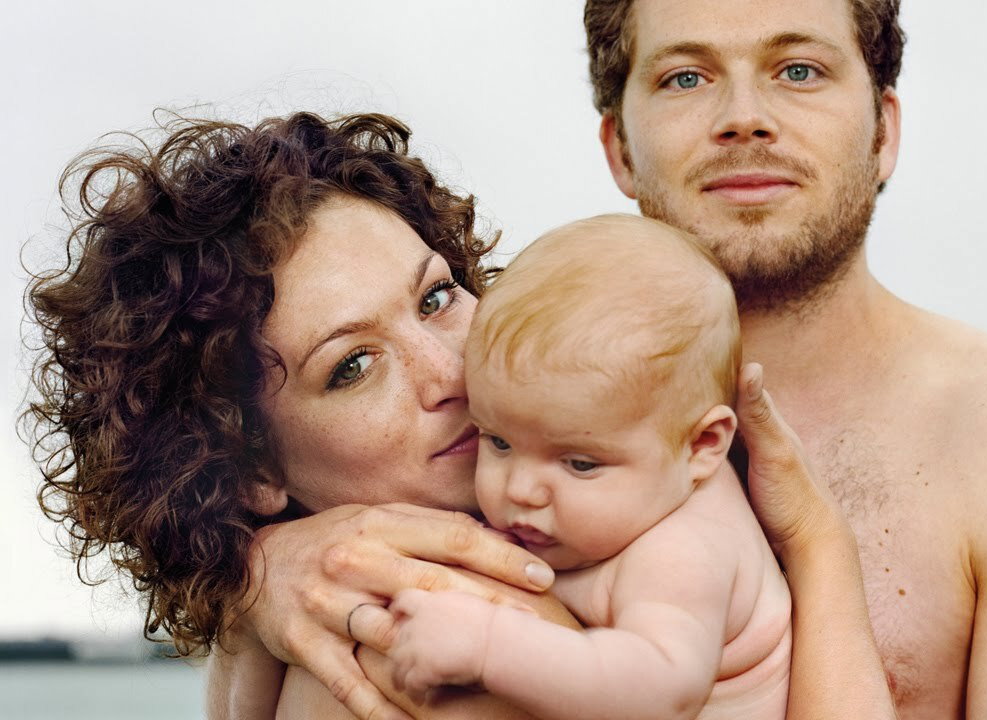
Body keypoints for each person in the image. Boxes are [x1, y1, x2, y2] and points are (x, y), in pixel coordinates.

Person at [26, 111, 876, 720]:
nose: (453, 373)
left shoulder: (625, 464)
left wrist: (816, 539)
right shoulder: (413, 638)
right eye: (353, 366)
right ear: (250, 470)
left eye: (437, 297)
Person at [582, 0, 987, 717]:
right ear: (620, 149)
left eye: (799, 70)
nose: (743, 116)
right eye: (685, 78)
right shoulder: (507, 423)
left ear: (884, 132)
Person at [387, 214, 791, 718]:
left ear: (703, 446)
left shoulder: (684, 551)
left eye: (579, 464)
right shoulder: (648, 473)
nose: (521, 489)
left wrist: (487, 643)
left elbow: (660, 692)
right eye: (500, 442)